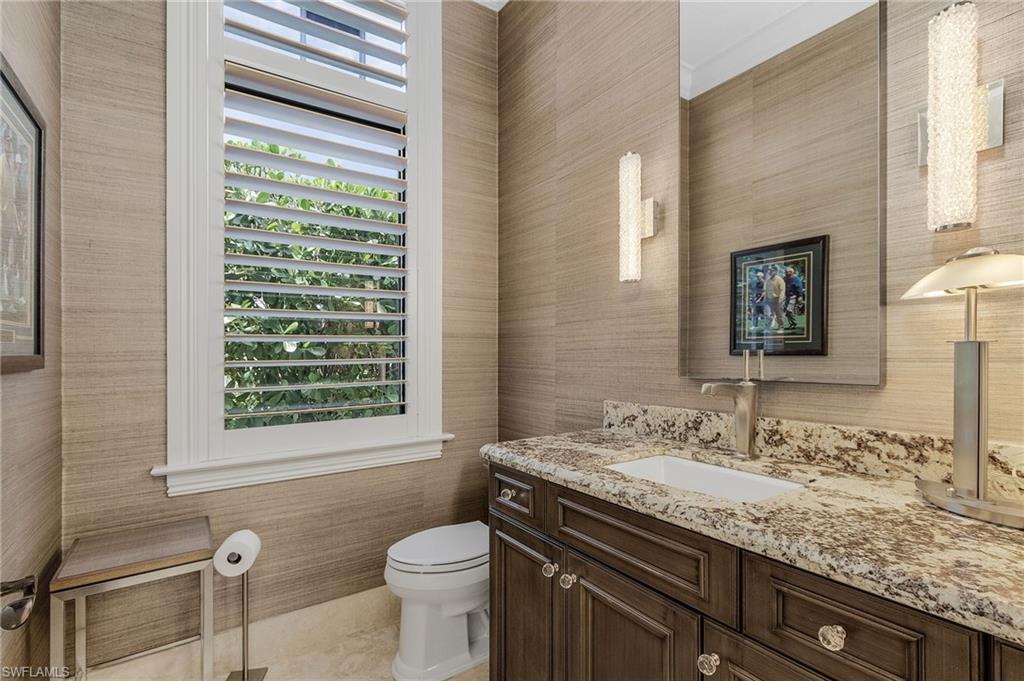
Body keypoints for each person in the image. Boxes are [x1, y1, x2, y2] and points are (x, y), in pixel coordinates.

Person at [764, 266, 786, 330]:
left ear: (776, 272)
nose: (770, 271)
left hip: (777, 299)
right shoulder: (768, 280)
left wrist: (780, 299)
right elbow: (767, 290)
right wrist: (765, 298)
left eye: (772, 270)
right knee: (768, 314)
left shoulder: (780, 280)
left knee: (779, 314)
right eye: (769, 270)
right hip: (769, 299)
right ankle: (768, 327)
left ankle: (781, 326)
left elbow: (782, 290)